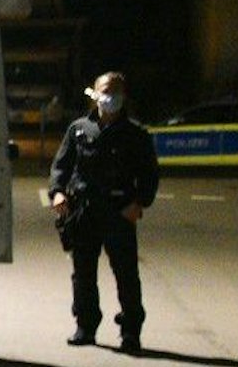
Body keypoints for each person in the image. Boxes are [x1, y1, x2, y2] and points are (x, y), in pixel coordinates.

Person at [48, 71, 160, 351]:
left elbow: (150, 173)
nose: (111, 97)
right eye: (107, 90)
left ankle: (130, 332)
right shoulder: (78, 130)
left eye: (117, 91)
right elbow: (61, 166)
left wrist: (139, 203)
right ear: (95, 93)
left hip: (119, 212)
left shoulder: (135, 134)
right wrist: (58, 192)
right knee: (83, 274)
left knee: (126, 274)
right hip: (84, 211)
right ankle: (85, 327)